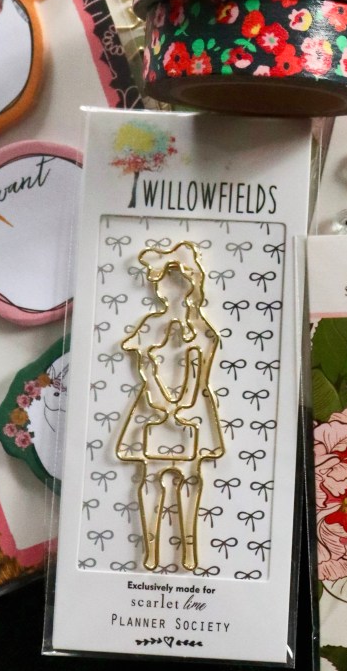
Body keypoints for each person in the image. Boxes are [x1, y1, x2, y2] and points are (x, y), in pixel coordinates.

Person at [115, 241, 225, 571]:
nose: (164, 290)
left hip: (191, 412)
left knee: (190, 477)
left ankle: (189, 547)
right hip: (153, 409)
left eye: (172, 283)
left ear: (189, 286)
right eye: (161, 283)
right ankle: (151, 549)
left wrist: (181, 405)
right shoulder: (150, 325)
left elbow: (199, 373)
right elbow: (143, 363)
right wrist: (159, 399)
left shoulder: (203, 330)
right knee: (150, 477)